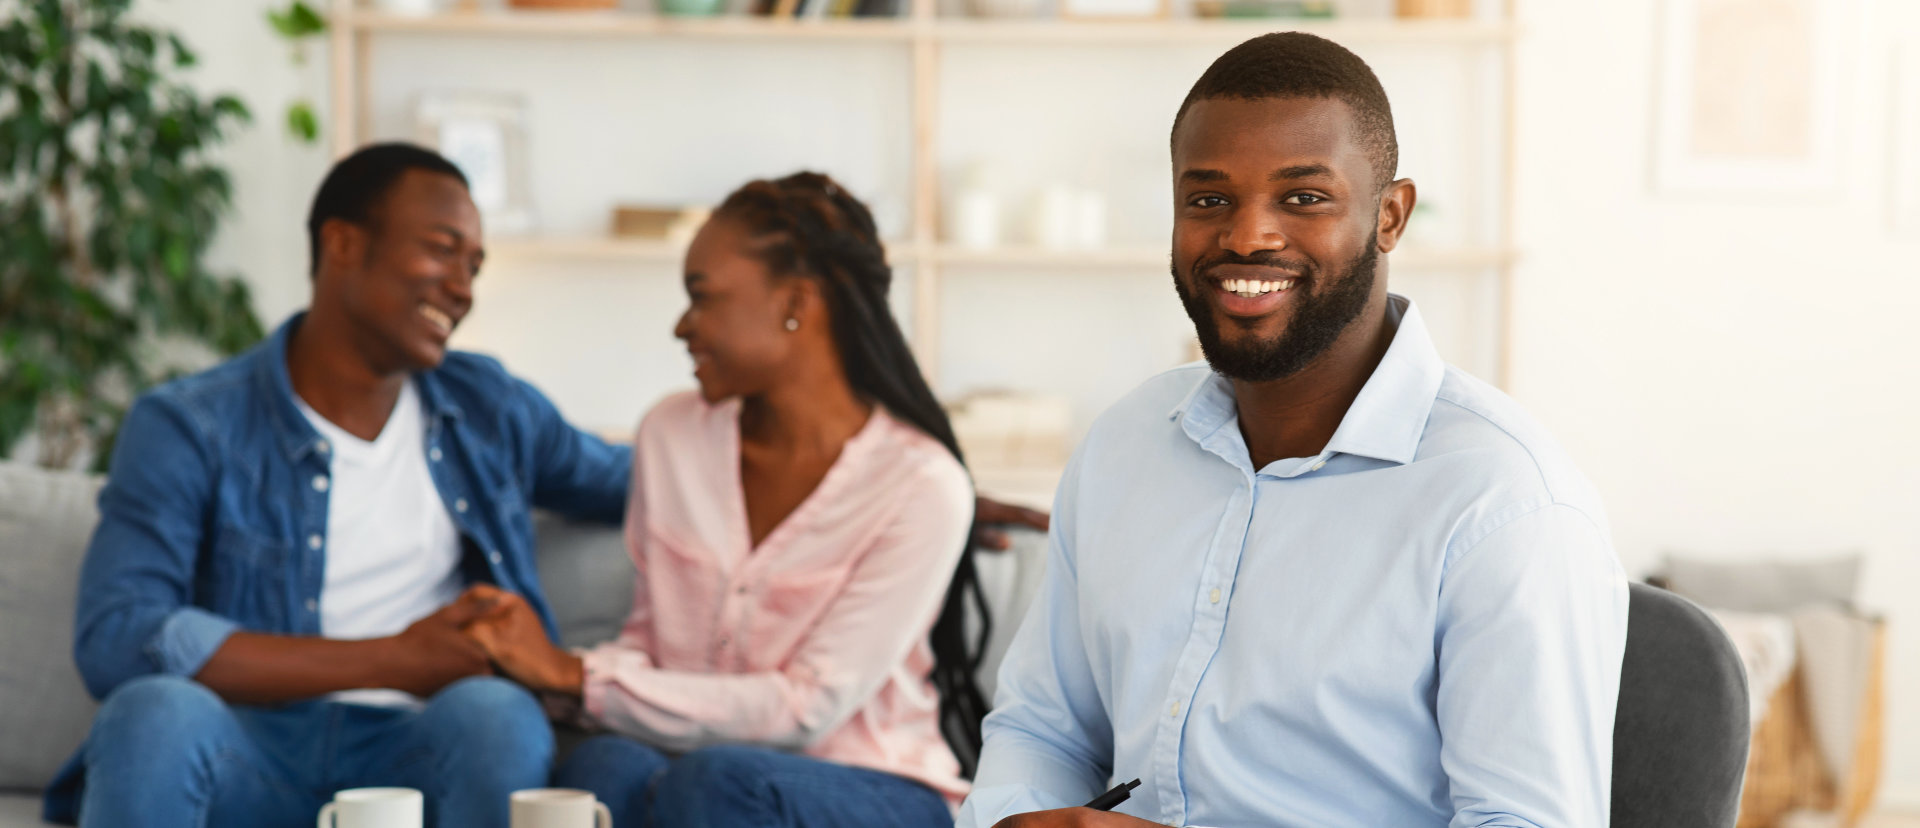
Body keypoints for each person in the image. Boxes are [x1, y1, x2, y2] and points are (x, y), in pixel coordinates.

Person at [955, 33, 1628, 828]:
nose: (1246, 236)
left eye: (1302, 198)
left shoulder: (1505, 506)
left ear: (1390, 215)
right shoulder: (1124, 446)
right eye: (1208, 200)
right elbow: (1043, 727)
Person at [44, 143, 633, 828]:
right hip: (249, 746)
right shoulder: (190, 424)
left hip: (418, 750)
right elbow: (119, 635)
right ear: (343, 244)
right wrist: (394, 659)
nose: (465, 287)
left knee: (497, 713)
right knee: (151, 712)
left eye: (474, 266)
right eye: (443, 250)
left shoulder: (490, 407)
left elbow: (652, 483)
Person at [462, 172, 1006, 828]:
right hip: (698, 772)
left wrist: (576, 677)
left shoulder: (921, 484)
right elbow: (650, 641)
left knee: (717, 782)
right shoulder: (671, 435)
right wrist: (530, 663)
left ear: (796, 303)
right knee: (603, 769)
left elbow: (808, 708)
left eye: (702, 296)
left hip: (870, 786)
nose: (682, 326)